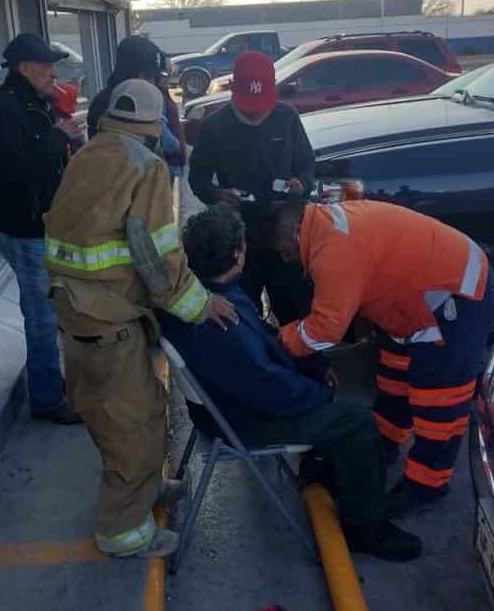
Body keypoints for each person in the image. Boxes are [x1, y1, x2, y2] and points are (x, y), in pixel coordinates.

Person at [158, 205, 422, 561]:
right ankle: (366, 528)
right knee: (357, 422)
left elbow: (267, 338)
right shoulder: (220, 322)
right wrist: (319, 393)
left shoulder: (205, 297)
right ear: (238, 254)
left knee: (334, 407)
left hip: (225, 406)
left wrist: (311, 362)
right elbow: (267, 388)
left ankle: (327, 469)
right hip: (244, 419)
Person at [44, 80, 237, 558]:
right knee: (130, 424)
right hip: (110, 317)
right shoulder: (144, 167)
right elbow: (158, 256)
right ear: (154, 125)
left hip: (76, 313)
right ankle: (124, 532)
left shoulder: (88, 154)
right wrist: (200, 304)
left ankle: (148, 490)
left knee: (127, 413)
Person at [273, 200, 494, 518]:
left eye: (285, 250)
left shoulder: (334, 252)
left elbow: (325, 329)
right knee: (394, 378)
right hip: (411, 300)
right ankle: (384, 445)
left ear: (297, 232)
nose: (287, 259)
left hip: (454, 296)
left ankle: (427, 486)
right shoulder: (324, 225)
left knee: (438, 403)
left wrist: (283, 341)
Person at [0, 33, 86, 424]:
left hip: (36, 223)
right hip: (25, 228)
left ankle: (49, 387)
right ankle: (46, 399)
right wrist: (59, 136)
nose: (52, 72)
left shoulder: (28, 101)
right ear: (25, 68)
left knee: (47, 310)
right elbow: (15, 168)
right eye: (45, 66)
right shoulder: (5, 108)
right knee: (42, 317)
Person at [188, 51, 315, 325]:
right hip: (239, 240)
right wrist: (216, 195)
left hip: (284, 237)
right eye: (249, 106)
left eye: (262, 105)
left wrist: (301, 183)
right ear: (234, 90)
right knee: (243, 315)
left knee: (294, 310)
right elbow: (197, 178)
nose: (256, 113)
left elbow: (307, 164)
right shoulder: (215, 126)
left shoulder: (286, 117)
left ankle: (295, 363)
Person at [86, 36, 182, 165]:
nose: (154, 84)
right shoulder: (119, 105)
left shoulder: (104, 100)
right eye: (152, 78)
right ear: (140, 76)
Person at [156, 69, 186, 185]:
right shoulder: (158, 97)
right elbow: (160, 127)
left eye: (169, 73)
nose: (167, 78)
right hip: (171, 163)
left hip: (175, 161)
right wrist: (177, 146)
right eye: (164, 74)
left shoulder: (163, 95)